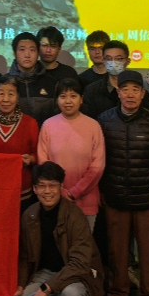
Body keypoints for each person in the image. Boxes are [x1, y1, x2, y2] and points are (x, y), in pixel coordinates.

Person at [98, 70, 149, 296]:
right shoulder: (104, 120)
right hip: (115, 197)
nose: (130, 94)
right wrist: (101, 190)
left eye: (135, 90)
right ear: (118, 93)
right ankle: (117, 293)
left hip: (147, 199)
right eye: (125, 89)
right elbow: (98, 159)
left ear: (143, 94)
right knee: (117, 251)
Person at [12, 161, 104, 296]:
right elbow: (25, 256)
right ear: (34, 189)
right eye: (42, 186)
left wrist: (46, 289)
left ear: (61, 187)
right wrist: (21, 284)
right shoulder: (30, 215)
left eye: (52, 186)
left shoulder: (75, 216)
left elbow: (80, 263)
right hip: (44, 274)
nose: (47, 191)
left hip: (75, 274)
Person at [37, 79, 105, 229]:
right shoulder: (48, 125)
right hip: (54, 199)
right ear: (57, 100)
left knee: (82, 242)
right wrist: (59, 191)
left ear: (81, 99)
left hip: (86, 201)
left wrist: (75, 192)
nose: (68, 101)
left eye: (73, 96)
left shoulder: (93, 126)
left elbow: (97, 166)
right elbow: (43, 163)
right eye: (63, 96)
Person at [0, 75, 41, 212]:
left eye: (11, 94)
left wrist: (30, 159)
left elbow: (37, 154)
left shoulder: (30, 123)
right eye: (1, 94)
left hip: (21, 192)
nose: (5, 99)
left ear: (17, 98)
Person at [84, 40, 149, 118]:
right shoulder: (92, 90)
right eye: (109, 59)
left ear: (127, 61)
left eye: (118, 59)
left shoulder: (140, 89)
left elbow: (148, 118)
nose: (113, 63)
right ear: (103, 61)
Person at [3, 31, 57, 122]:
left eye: (32, 50)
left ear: (38, 53)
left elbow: (58, 117)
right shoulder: (3, 83)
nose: (27, 55)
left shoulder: (51, 83)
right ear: (14, 53)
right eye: (22, 50)